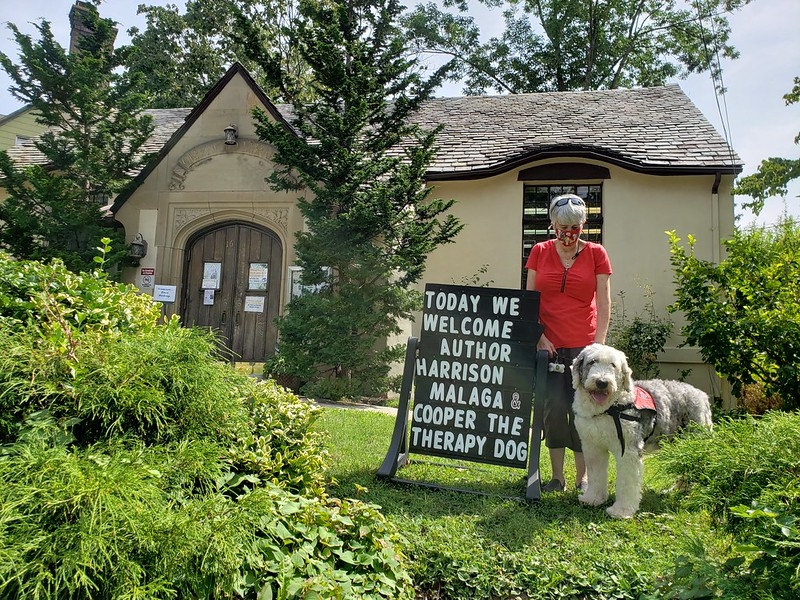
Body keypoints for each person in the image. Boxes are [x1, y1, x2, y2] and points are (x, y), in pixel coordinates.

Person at [525, 193, 612, 492]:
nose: (568, 233)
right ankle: (557, 477)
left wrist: (597, 348)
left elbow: (603, 301)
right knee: (554, 408)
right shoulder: (538, 251)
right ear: (552, 224)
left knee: (584, 411)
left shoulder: (597, 253)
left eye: (574, 227)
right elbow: (529, 300)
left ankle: (583, 477)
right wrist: (539, 335)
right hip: (549, 345)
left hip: (584, 346)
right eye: (562, 226)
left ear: (583, 225)